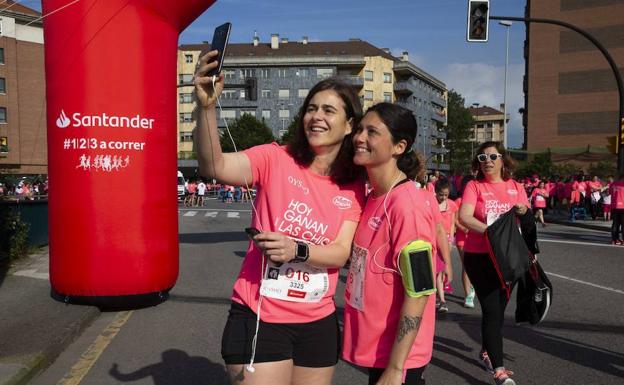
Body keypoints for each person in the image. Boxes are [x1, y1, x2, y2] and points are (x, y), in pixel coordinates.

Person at [194, 49, 365, 385]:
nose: (316, 116)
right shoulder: (275, 158)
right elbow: (213, 166)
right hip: (260, 315)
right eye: (311, 108)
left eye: (329, 110)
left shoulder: (353, 185)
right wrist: (207, 107)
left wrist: (296, 249)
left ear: (349, 125)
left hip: (317, 322)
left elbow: (340, 251)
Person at [342, 103, 437, 385]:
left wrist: (396, 368)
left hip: (398, 358)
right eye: (359, 129)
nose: (359, 137)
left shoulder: (407, 206)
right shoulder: (374, 197)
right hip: (378, 348)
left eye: (372, 132)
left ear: (399, 146)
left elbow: (420, 288)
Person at [458, 141, 529, 385]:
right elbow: (464, 216)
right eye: (482, 158)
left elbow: (528, 221)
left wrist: (523, 211)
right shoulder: (474, 186)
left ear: (503, 160)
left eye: (492, 156)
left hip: (509, 259)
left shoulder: (516, 187)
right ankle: (499, 370)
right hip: (479, 257)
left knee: (499, 310)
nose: (487, 161)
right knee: (492, 310)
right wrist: (490, 232)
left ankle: (486, 350)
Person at [434, 178, 457, 313]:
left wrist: (451, 239)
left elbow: (453, 223)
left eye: (446, 195)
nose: (443, 197)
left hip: (447, 239)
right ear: (436, 192)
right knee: (438, 269)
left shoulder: (452, 205)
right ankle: (441, 299)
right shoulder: (431, 204)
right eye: (441, 194)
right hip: (434, 239)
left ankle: (440, 297)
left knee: (442, 269)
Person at [454, 174, 476, 308]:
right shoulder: (458, 201)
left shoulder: (477, 200)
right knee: (467, 266)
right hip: (462, 238)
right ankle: (468, 295)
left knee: (474, 266)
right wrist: (464, 228)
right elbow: (455, 220)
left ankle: (472, 286)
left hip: (475, 238)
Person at [610, 173, 624, 245]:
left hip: (614, 206)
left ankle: (614, 240)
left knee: (615, 224)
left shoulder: (612, 184)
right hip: (623, 207)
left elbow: (609, 193)